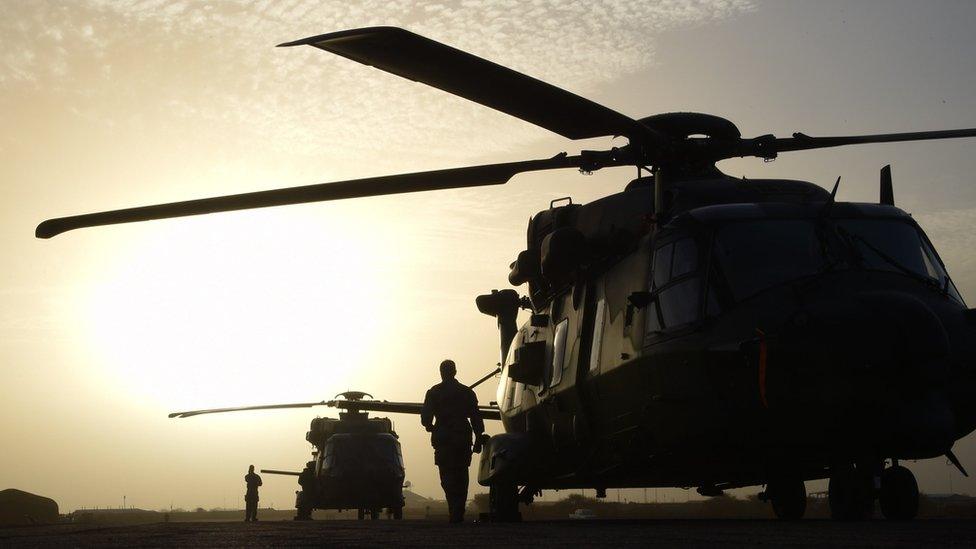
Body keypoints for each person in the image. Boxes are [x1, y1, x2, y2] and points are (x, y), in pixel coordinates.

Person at [421, 359, 486, 523]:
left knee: (446, 475)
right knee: (461, 474)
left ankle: (454, 507)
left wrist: (430, 426)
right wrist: (478, 437)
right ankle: (458, 508)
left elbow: (426, 418)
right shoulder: (466, 392)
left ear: (441, 373)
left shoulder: (434, 392)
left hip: (443, 438)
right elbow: (476, 417)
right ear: (455, 372)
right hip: (462, 437)